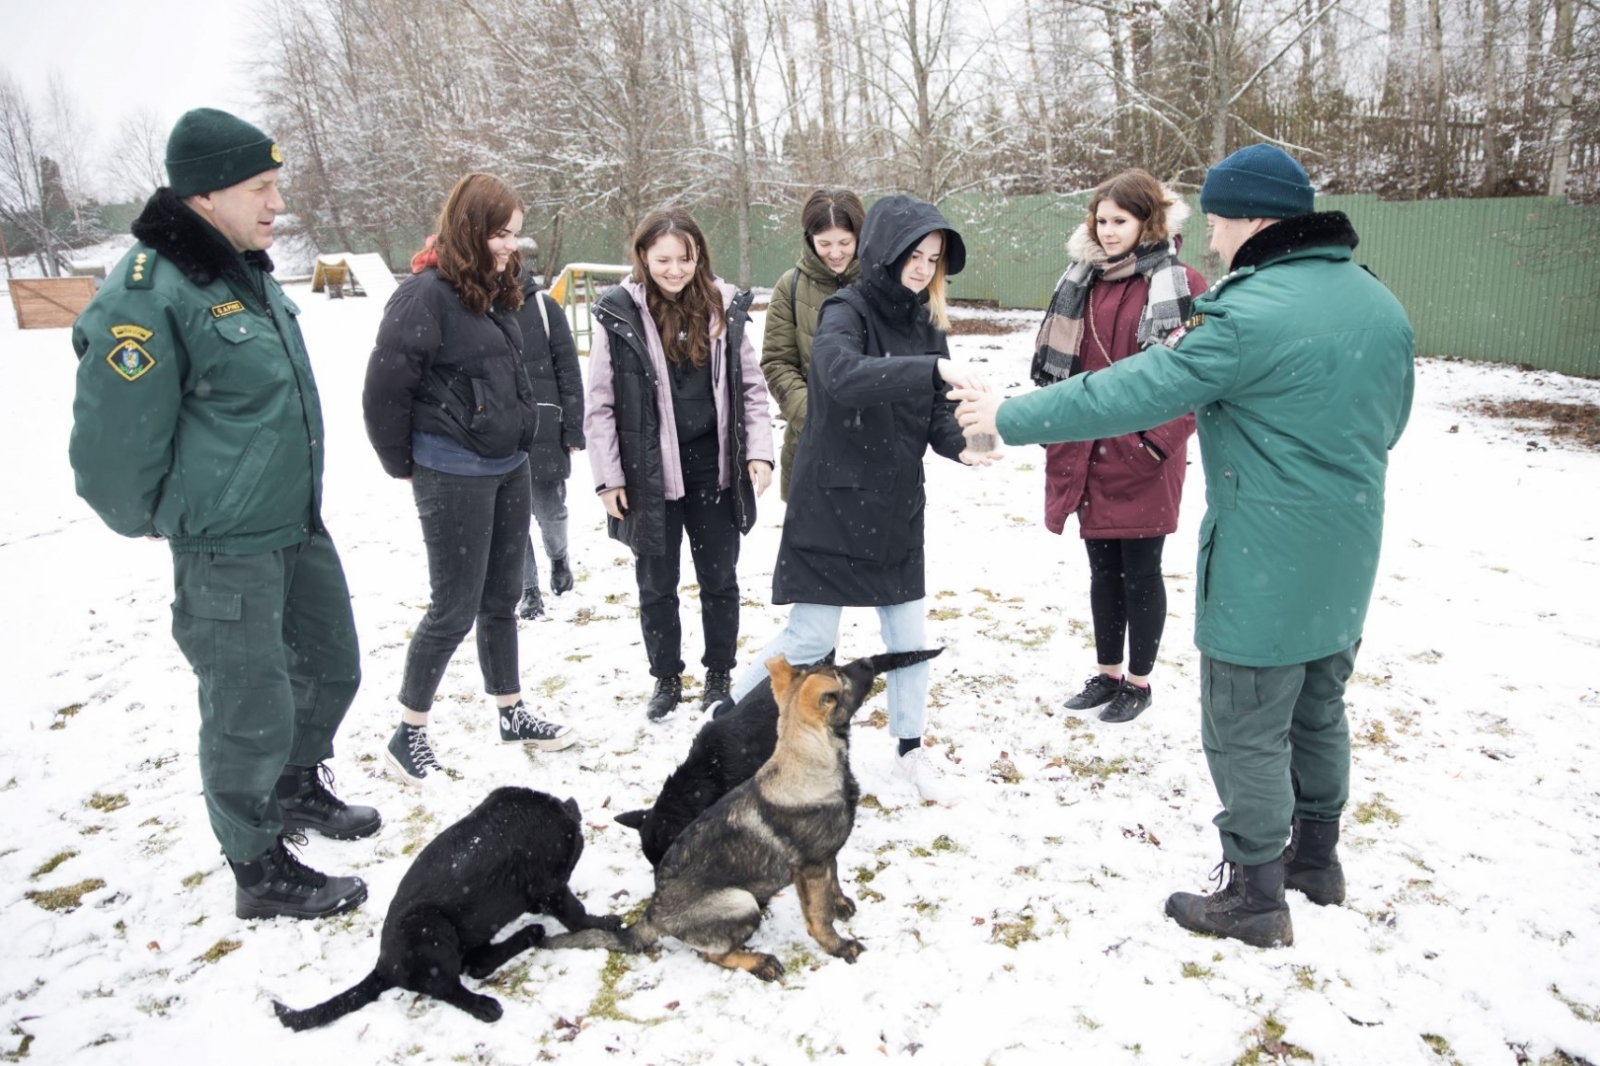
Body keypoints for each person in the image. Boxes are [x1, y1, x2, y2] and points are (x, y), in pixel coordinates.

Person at [953, 145, 1415, 946]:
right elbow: (1390, 423)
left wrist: (1010, 416)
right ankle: (1317, 861)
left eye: (1220, 219)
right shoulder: (1379, 303)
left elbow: (1136, 386)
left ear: (1255, 220)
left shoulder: (1248, 313)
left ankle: (1256, 897)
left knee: (1244, 722)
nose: (1209, 238)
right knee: (1318, 706)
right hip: (1348, 551)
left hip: (1264, 554)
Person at [68, 108, 379, 920]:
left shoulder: (245, 272)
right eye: (262, 188)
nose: (278, 204)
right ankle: (258, 865)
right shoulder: (148, 292)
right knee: (247, 707)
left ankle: (296, 784)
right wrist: (175, 519)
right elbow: (112, 444)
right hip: (224, 542)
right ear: (206, 197)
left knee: (333, 664)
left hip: (293, 524)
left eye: (277, 186)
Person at [728, 195, 999, 805]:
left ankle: (910, 750)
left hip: (895, 503)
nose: (924, 268)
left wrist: (964, 446)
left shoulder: (928, 322)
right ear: (886, 249)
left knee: (908, 638)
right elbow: (839, 377)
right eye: (915, 254)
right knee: (806, 638)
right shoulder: (844, 309)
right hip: (832, 500)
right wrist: (930, 372)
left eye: (934, 259)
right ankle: (726, 716)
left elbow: (936, 414)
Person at [364, 173, 576, 787]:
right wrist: (404, 463)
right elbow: (384, 391)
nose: (511, 245)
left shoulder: (493, 287)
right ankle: (408, 734)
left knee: (501, 599)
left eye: (514, 234)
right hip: (452, 471)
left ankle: (510, 712)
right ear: (470, 228)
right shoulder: (424, 296)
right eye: (500, 234)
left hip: (508, 463)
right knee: (452, 608)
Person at [584, 208, 776, 720]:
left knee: (720, 579)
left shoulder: (724, 308)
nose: (674, 270)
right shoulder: (619, 312)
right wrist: (609, 478)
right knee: (657, 583)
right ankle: (666, 678)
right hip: (648, 475)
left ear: (699, 256)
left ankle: (718, 674)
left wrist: (757, 451)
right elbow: (599, 403)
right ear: (644, 257)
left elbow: (752, 390)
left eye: (684, 259)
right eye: (663, 259)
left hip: (713, 469)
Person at [1033, 170, 1208, 725]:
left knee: (1142, 569)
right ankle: (1107, 672)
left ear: (1148, 221)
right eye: (1101, 221)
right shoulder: (1082, 281)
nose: (1108, 233)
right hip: (1087, 449)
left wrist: (1153, 444)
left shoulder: (1183, 283)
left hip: (1145, 455)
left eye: (1120, 221)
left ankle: (1139, 680)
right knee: (1102, 568)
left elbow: (1196, 376)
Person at [761, 188, 865, 500]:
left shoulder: (880, 282)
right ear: (809, 239)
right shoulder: (789, 287)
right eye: (825, 243)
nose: (835, 252)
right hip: (810, 444)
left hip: (874, 447)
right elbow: (777, 363)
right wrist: (815, 416)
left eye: (845, 242)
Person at [513, 238, 585, 620]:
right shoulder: (474, 309)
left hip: (545, 427)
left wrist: (573, 428)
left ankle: (559, 557)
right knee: (511, 520)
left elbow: (569, 370)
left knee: (550, 511)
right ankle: (528, 590)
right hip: (499, 436)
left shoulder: (544, 307)